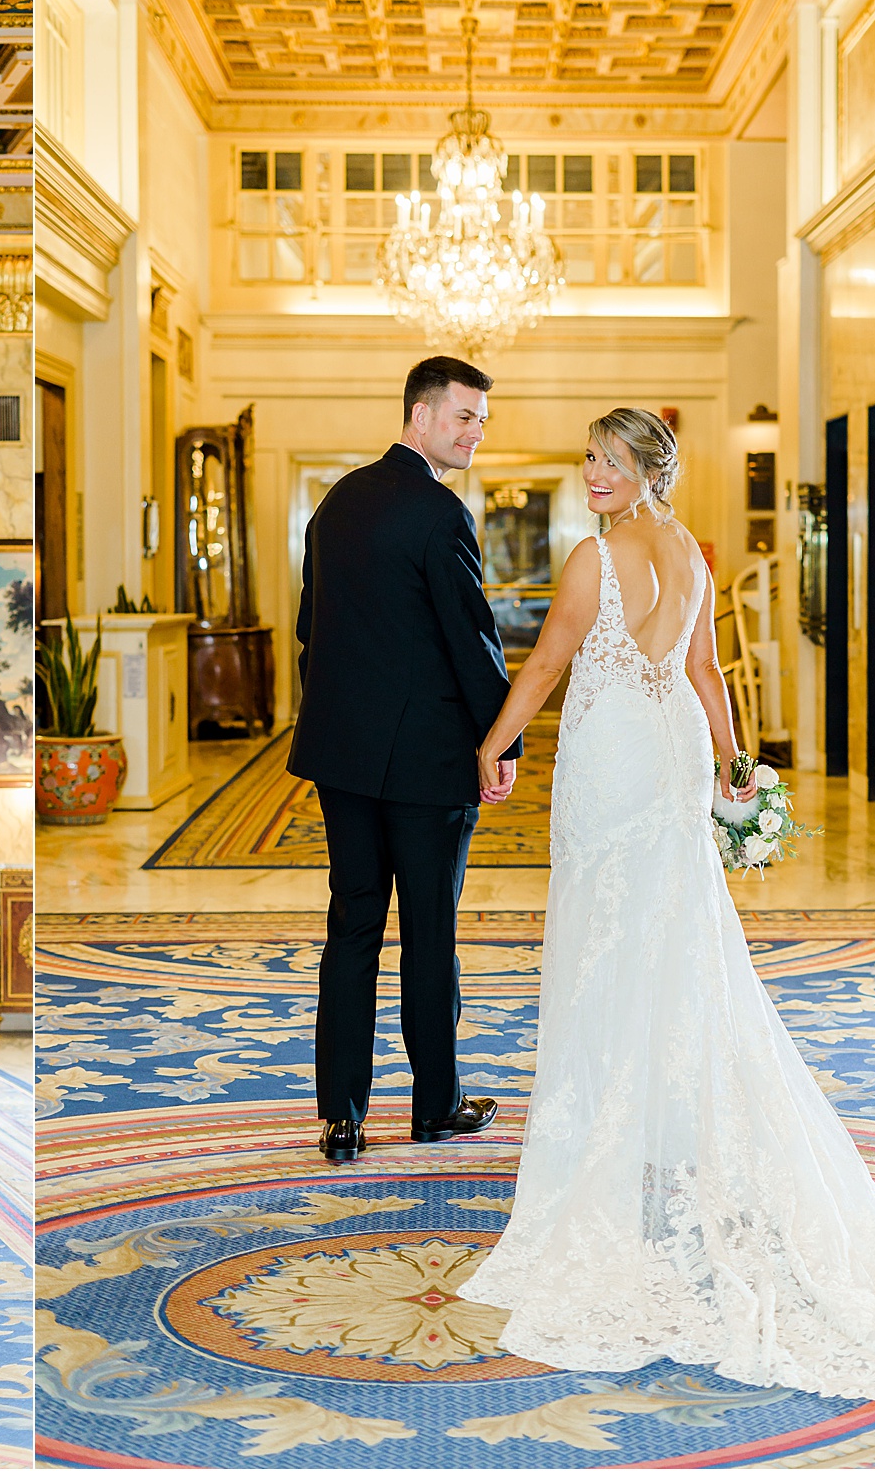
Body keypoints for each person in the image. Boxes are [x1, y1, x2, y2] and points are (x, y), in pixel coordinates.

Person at [457, 408, 875, 1398]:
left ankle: (617, 1138)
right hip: (668, 746)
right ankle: (659, 1124)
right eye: (588, 460)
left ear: (640, 470)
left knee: (606, 935)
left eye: (603, 461)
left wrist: (492, 744)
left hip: (617, 757)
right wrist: (725, 759)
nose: (588, 474)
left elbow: (545, 666)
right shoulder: (686, 550)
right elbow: (703, 671)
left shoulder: (596, 558)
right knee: (670, 932)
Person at [289, 354, 521, 1161]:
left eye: (482, 421)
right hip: (426, 766)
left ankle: (342, 1115)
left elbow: (308, 631)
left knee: (352, 929)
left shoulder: (335, 504)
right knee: (431, 933)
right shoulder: (440, 513)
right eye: (464, 417)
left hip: (343, 761)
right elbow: (473, 642)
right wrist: (502, 740)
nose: (476, 433)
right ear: (419, 416)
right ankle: (436, 1107)